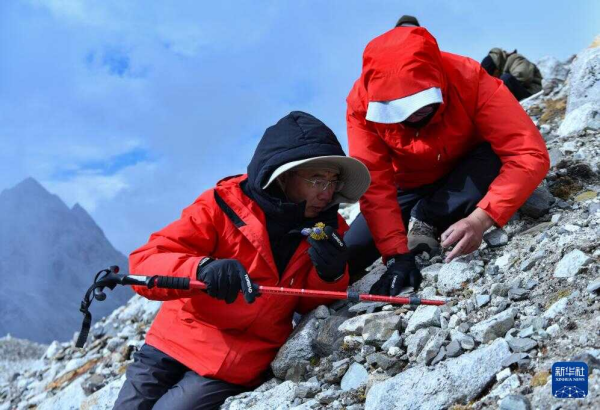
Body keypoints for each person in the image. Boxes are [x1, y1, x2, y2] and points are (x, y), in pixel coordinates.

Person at [113, 111, 370, 410]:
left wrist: (330, 275)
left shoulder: (328, 230)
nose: (327, 193)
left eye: (332, 181)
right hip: (170, 340)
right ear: (283, 175)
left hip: (233, 361)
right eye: (317, 180)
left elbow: (306, 305)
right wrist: (202, 269)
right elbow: (145, 263)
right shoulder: (221, 205)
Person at [344, 27, 550, 295]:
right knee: (350, 255)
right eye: (397, 111)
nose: (412, 116)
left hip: (470, 166)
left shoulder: (468, 75)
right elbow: (375, 183)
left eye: (420, 105)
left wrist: (480, 219)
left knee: (494, 158)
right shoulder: (361, 104)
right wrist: (396, 256)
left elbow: (528, 153)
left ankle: (428, 216)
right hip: (406, 183)